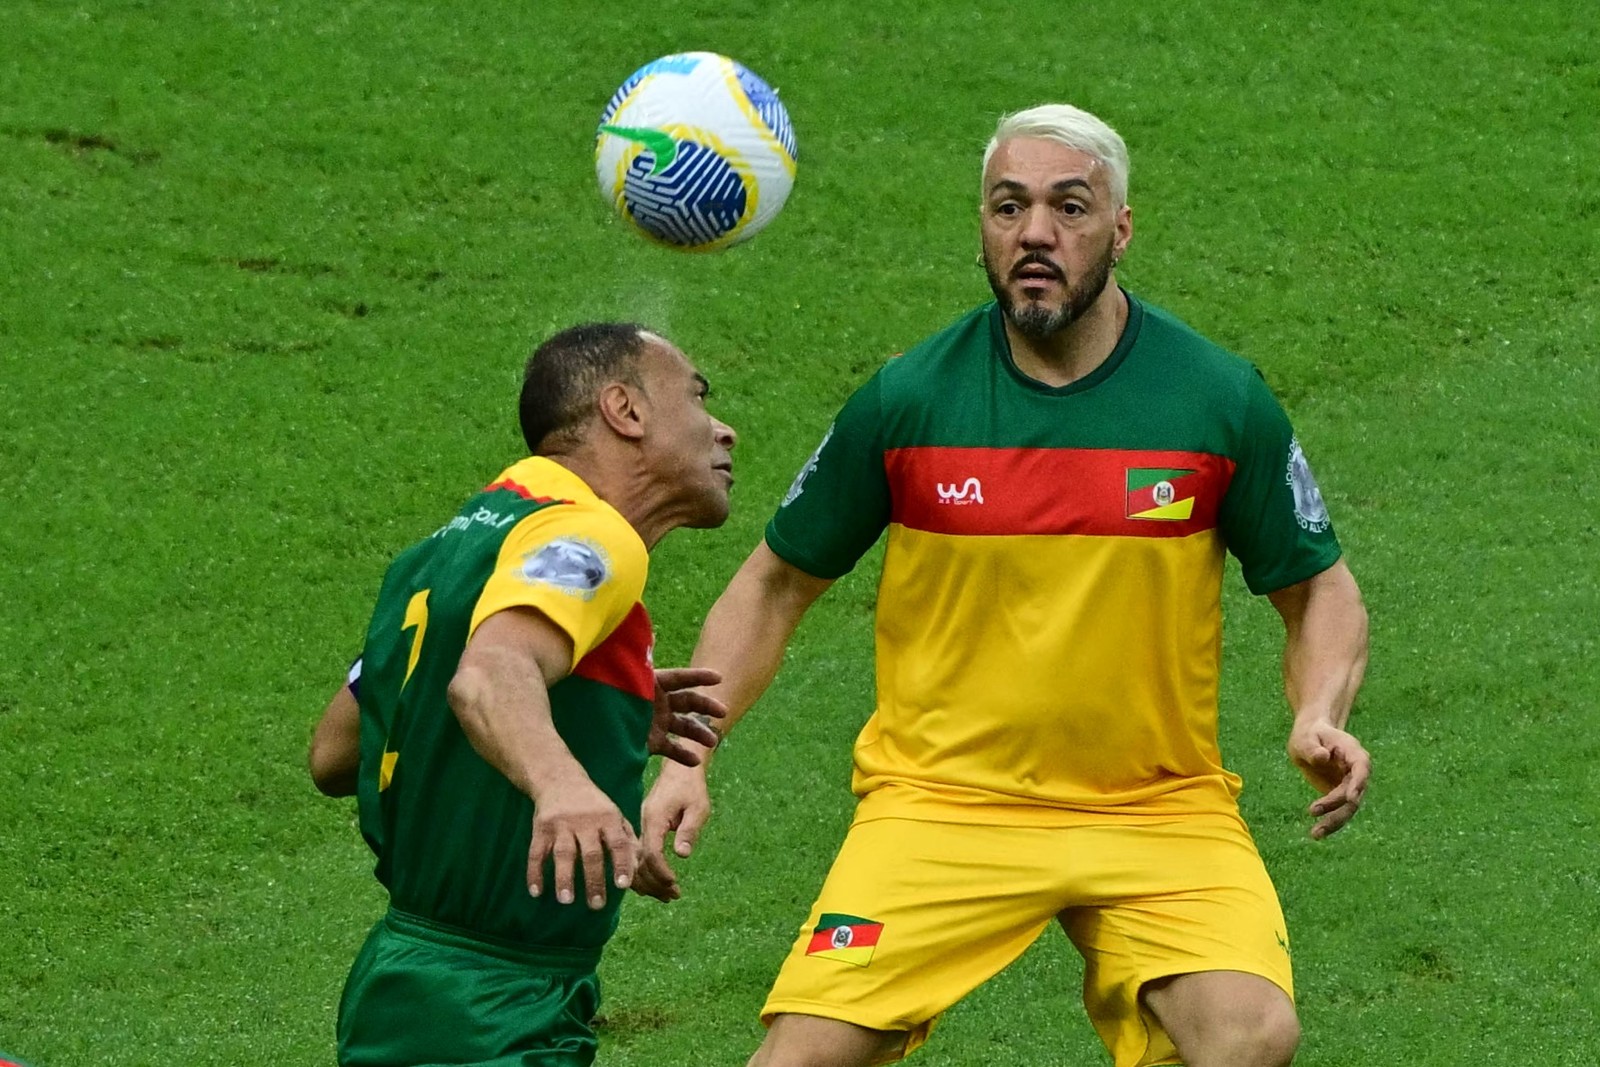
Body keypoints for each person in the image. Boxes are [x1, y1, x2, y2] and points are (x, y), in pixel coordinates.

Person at [638, 104, 1372, 1067]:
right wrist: (690, 755)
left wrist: (1319, 709)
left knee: (1251, 1033)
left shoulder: (1215, 399)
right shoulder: (909, 399)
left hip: (1155, 808)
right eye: (1008, 206)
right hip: (942, 805)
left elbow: (1319, 589)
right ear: (982, 226)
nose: (1035, 232)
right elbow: (776, 584)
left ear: (1121, 227)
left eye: (1070, 207)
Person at [307, 322, 738, 1067]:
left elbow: (338, 752)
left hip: (407, 978)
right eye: (698, 397)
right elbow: (487, 675)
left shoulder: (449, 547)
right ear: (624, 411)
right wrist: (562, 783)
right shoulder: (592, 536)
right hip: (489, 1006)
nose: (723, 428)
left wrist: (593, 715)